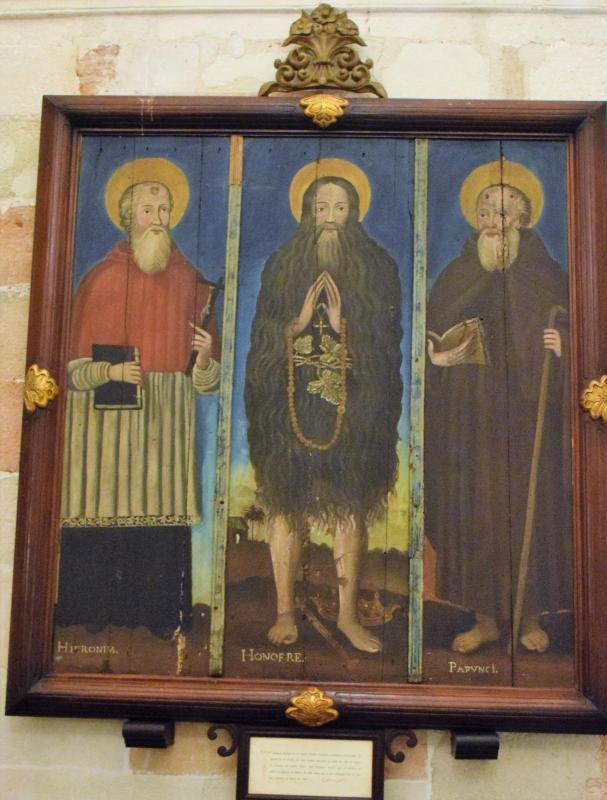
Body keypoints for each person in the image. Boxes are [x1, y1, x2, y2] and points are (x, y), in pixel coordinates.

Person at [56, 157, 221, 640]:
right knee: (102, 509)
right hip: (104, 425)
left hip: (166, 420)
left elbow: (207, 381)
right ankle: (92, 609)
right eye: (148, 210)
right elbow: (72, 369)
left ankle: (158, 612)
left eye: (165, 209)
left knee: (159, 521)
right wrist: (108, 371)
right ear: (128, 217)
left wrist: (205, 356)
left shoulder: (191, 280)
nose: (158, 218)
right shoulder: (100, 279)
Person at [244, 159, 402, 653]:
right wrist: (295, 324)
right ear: (307, 212)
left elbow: (388, 339)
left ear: (355, 212)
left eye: (340, 207)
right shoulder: (281, 264)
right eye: (321, 207)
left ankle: (349, 616)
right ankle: (284, 612)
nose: (330, 217)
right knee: (285, 505)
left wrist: (341, 327)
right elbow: (261, 335)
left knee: (350, 508)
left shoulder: (377, 266)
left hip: (353, 408)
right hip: (288, 407)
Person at [424, 158, 572, 655]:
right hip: (472, 414)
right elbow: (433, 335)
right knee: (478, 510)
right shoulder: (458, 273)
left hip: (530, 414)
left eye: (503, 212)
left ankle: (529, 616)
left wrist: (563, 345)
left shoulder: (546, 273)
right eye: (485, 211)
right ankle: (484, 619)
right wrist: (439, 355)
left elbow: (575, 324)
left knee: (532, 506)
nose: (493, 221)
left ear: (524, 218)